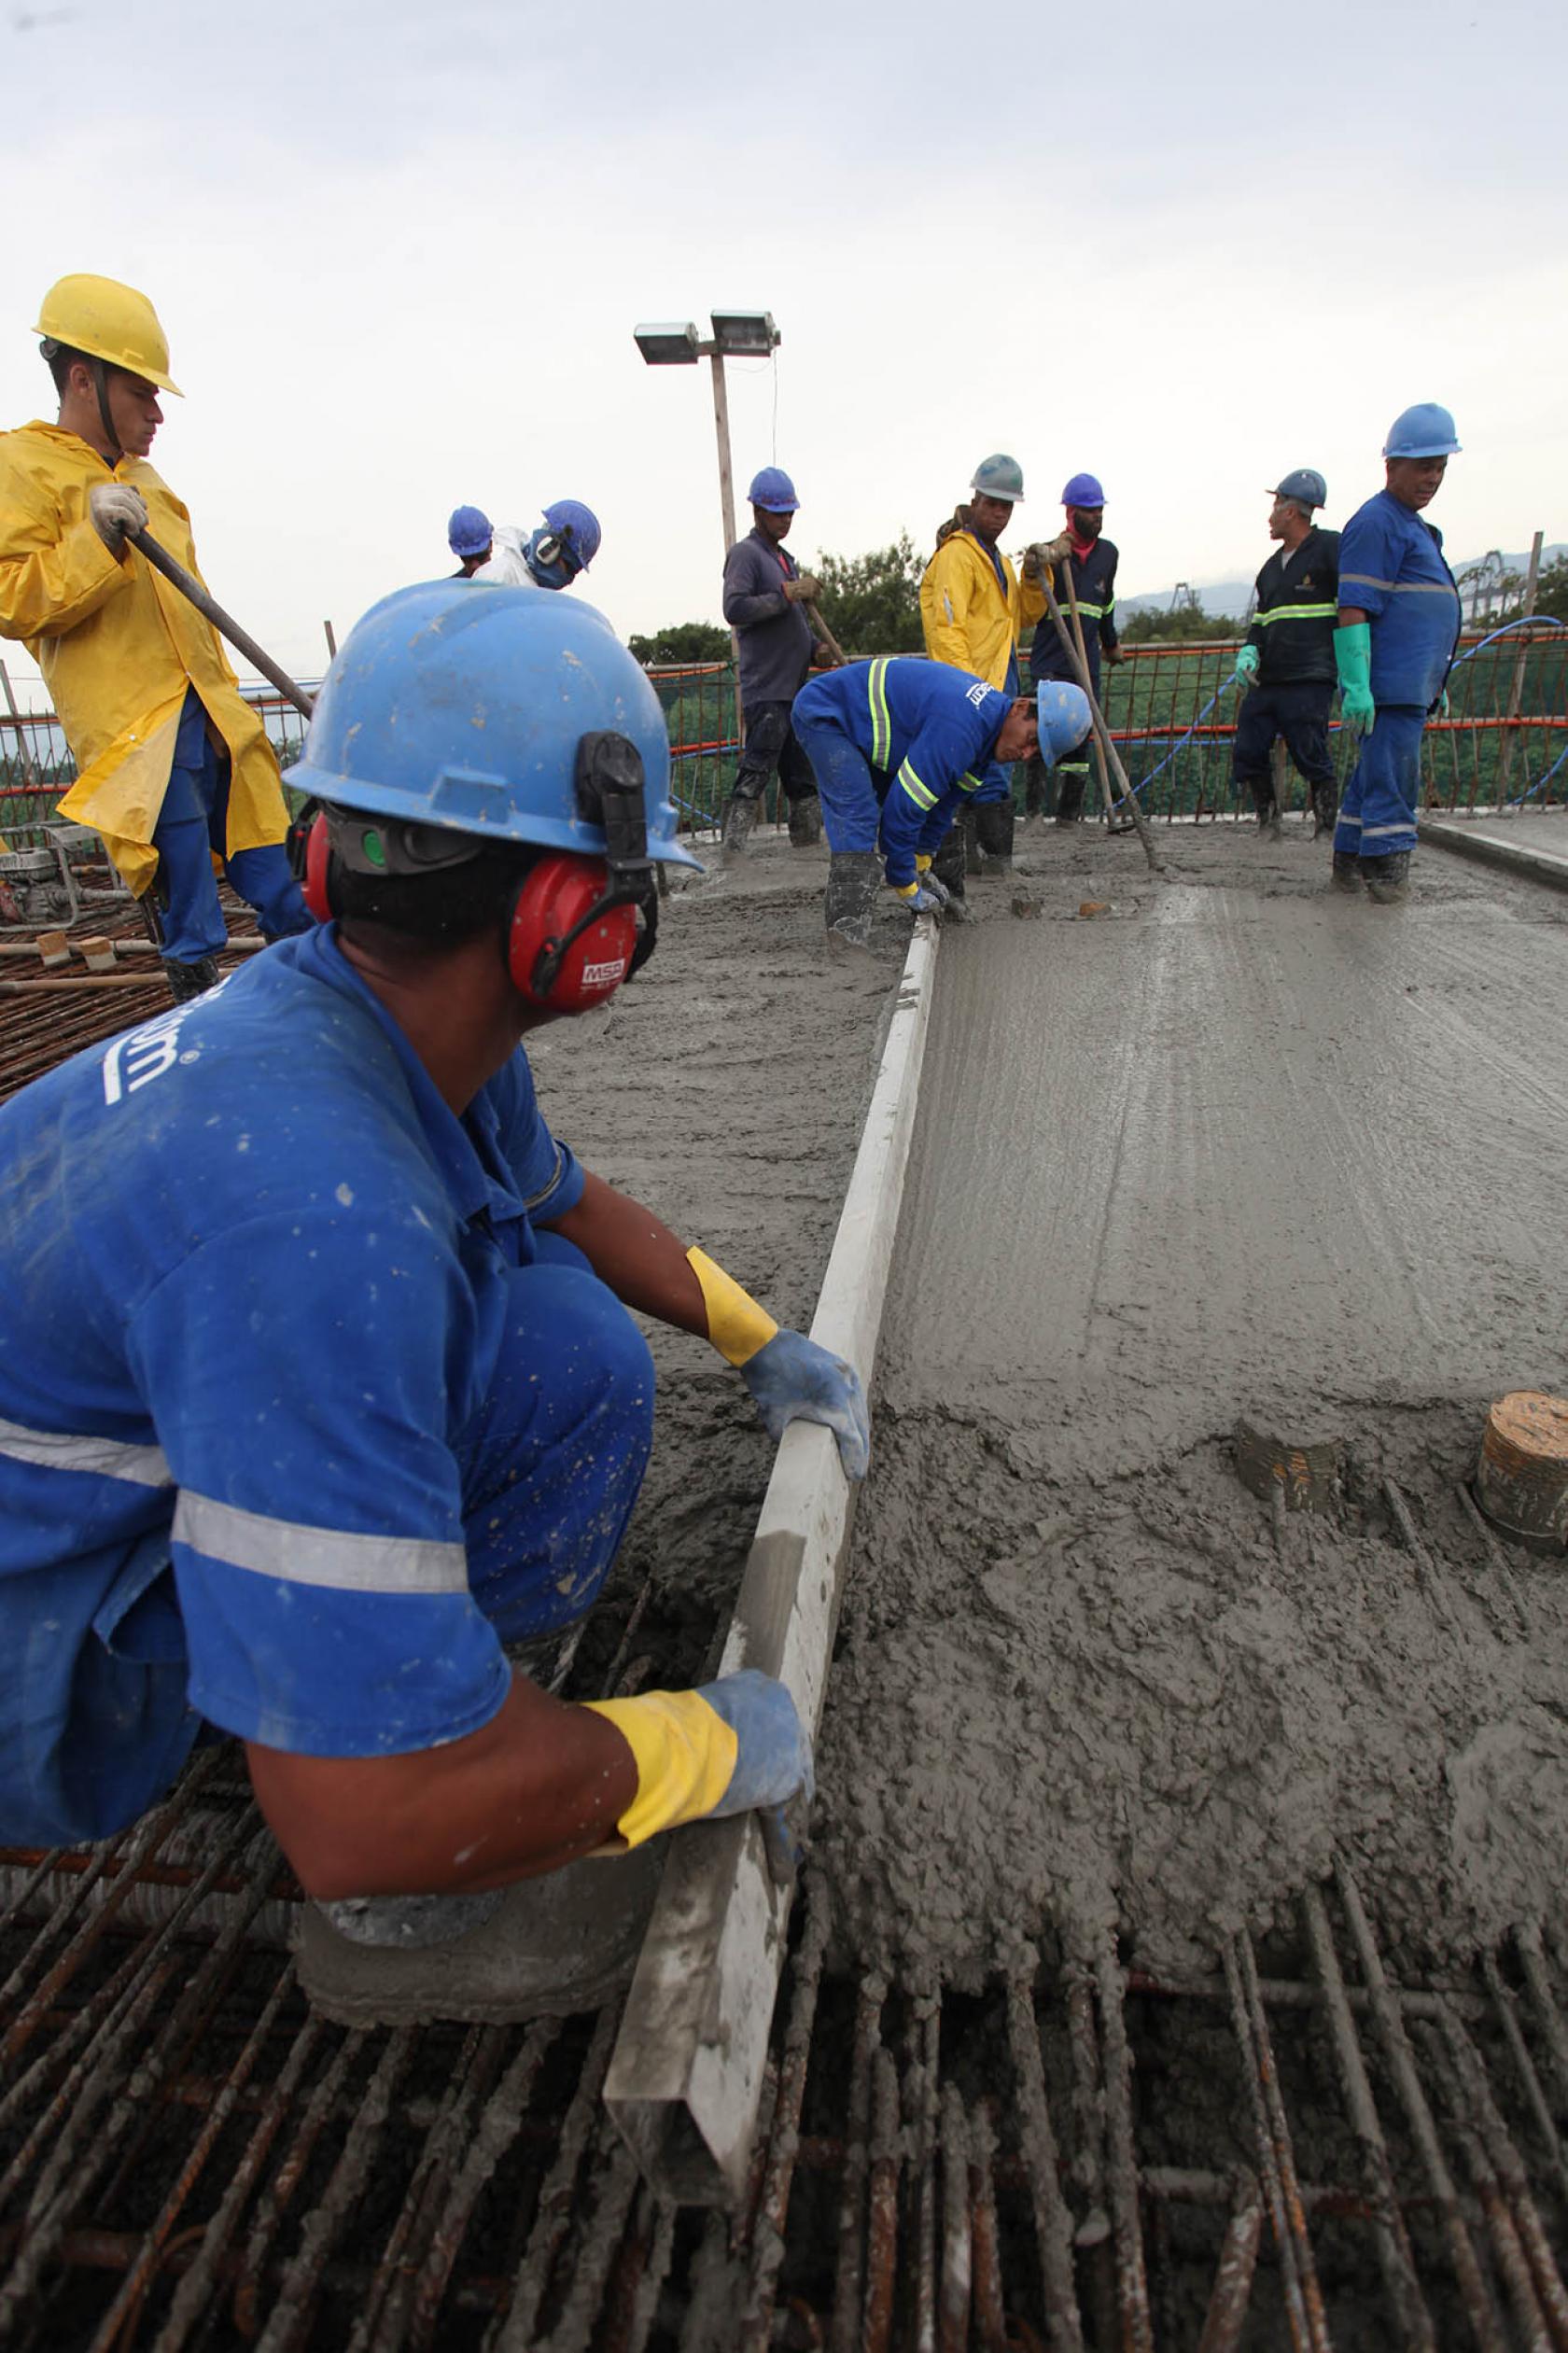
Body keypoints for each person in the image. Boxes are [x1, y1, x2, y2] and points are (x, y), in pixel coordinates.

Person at [0, 580, 866, 2020]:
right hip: (33, 1647)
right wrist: (696, 1749)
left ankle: (357, 1672)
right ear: (569, 921)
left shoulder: (358, 1007)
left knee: (563, 1342)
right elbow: (362, 1809)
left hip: (79, 1479)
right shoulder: (322, 1230)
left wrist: (757, 1338)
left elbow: (569, 1208)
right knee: (387, 1794)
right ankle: (412, 1893)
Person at [0, 274, 309, 1001]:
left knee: (283, 889)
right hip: (144, 740)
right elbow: (12, 598)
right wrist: (92, 540)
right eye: (142, 390)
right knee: (191, 917)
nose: (157, 411)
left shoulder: (153, 485)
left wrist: (235, 720)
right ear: (84, 379)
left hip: (218, 723)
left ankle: (314, 1018)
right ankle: (198, 1024)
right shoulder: (21, 465)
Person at [791, 659, 1091, 949]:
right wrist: (905, 882)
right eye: (1030, 739)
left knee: (891, 807)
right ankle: (846, 935)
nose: (1026, 755)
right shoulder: (961, 727)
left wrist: (922, 866)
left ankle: (853, 923)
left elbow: (941, 806)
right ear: (1021, 707)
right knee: (858, 814)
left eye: (1036, 753)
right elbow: (904, 807)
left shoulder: (984, 744)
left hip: (867, 730)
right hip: (828, 715)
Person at [1333, 404, 1463, 903]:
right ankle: (1387, 881)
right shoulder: (1376, 523)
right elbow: (1354, 607)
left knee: (1373, 777)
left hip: (1409, 683)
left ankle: (1347, 871)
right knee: (1393, 778)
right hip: (1388, 685)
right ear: (1392, 467)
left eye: (1440, 468)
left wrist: (1435, 679)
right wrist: (1359, 685)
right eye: (1423, 467)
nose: (1432, 478)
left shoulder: (1410, 525)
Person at [919, 454, 1044, 879]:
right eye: (992, 504)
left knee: (993, 773)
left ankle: (989, 864)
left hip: (998, 687)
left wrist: (1031, 578)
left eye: (1007, 506)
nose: (1000, 514)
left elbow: (1020, 617)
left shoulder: (1001, 563)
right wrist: (968, 691)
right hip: (974, 690)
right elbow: (947, 627)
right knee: (980, 776)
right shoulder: (959, 557)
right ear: (975, 500)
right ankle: (987, 867)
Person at [717, 466, 831, 863]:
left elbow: (795, 620)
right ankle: (731, 852)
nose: (785, 520)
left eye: (789, 513)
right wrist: (785, 594)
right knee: (757, 768)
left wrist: (816, 647)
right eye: (778, 513)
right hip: (768, 687)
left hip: (795, 687)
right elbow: (735, 608)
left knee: (800, 775)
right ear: (758, 512)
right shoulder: (746, 555)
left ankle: (807, 849)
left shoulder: (784, 559)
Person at [1232, 470, 1340, 839]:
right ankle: (1268, 819)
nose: (1271, 515)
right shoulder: (1270, 569)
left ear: (1292, 511)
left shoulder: (1330, 550)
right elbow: (1262, 619)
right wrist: (1250, 647)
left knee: (1310, 751)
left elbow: (1352, 607)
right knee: (1248, 746)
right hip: (1270, 677)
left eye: (1276, 505)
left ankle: (1326, 827)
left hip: (1310, 675)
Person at [1022, 472, 1122, 827]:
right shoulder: (1050, 554)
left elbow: (1106, 605)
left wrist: (1111, 645)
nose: (1097, 516)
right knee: (1042, 729)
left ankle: (1068, 818)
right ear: (1070, 512)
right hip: (1052, 659)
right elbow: (1029, 595)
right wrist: (1041, 562)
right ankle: (1032, 813)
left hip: (1087, 661)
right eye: (1089, 510)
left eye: (1099, 510)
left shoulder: (1109, 554)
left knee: (1081, 736)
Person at [477, 498, 601, 592]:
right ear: (548, 549)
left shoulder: (541, 598)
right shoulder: (496, 577)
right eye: (570, 568)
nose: (569, 579)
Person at [447, 504, 493, 577]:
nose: (474, 566)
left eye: (480, 557)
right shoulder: (450, 587)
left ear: (491, 545)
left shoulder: (511, 581)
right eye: (467, 559)